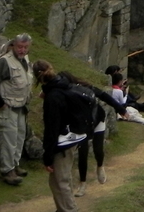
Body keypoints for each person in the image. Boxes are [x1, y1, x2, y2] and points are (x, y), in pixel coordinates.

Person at [59, 72, 124, 196]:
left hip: (97, 119)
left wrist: (121, 109)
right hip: (81, 125)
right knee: (82, 152)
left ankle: (100, 166)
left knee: (97, 149)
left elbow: (105, 96)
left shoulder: (87, 88)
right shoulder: (64, 95)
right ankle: (82, 184)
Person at [32, 61, 82, 212]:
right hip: (71, 137)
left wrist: (48, 155)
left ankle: (70, 209)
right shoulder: (63, 85)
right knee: (58, 181)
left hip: (62, 142)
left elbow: (52, 128)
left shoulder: (53, 96)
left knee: (61, 181)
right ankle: (63, 208)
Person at [0, 34, 33, 186]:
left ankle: (15, 165)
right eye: (19, 47)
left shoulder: (25, 60)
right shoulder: (5, 62)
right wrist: (0, 104)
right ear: (13, 45)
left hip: (21, 106)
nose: (22, 50)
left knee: (19, 137)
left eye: (25, 47)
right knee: (8, 139)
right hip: (8, 107)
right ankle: (7, 171)